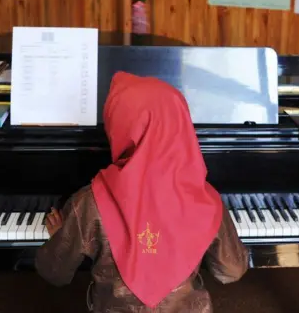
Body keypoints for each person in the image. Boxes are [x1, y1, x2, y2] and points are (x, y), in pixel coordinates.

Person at [35, 71, 249, 312]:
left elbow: (55, 273)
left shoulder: (90, 200)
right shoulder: (205, 198)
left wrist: (59, 237)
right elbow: (232, 271)